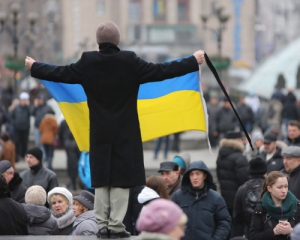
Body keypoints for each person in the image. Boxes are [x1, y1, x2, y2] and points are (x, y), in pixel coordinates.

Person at [25, 20, 204, 239]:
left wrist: (35, 67)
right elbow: (162, 71)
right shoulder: (130, 61)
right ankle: (117, 226)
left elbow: (60, 73)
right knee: (121, 180)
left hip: (99, 133)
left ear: (98, 42)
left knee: (102, 180)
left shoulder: (87, 62)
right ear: (117, 41)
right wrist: (192, 61)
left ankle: (101, 224)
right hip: (125, 133)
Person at [172, 160, 231, 240]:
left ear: (205, 175)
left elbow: (224, 222)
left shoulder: (216, 198)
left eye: (198, 174)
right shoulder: (177, 196)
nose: (194, 177)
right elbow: (170, 220)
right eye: (191, 174)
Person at [249, 171, 300, 239]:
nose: (284, 190)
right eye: (279, 187)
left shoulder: (296, 206)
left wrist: (292, 231)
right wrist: (274, 231)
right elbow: (253, 237)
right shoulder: (261, 208)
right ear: (269, 188)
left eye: (286, 186)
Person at [231, 157, 267, 239]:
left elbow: (237, 218)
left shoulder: (242, 188)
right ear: (265, 171)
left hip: (249, 233)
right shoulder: (271, 186)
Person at [216, 131, 249, 217]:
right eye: (241, 139)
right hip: (239, 199)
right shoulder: (239, 157)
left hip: (226, 198)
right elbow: (245, 179)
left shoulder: (221, 156)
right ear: (237, 140)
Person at [59, 119, 80, 191]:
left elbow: (60, 134)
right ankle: (74, 183)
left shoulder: (64, 122)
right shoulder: (77, 121)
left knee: (71, 166)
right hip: (76, 148)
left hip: (68, 146)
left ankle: (72, 182)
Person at [10, 91, 31, 161]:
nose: (23, 102)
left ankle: (23, 155)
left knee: (24, 143)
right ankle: (17, 156)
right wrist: (14, 123)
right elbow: (10, 116)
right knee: (17, 143)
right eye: (22, 100)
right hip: (17, 129)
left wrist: (29, 105)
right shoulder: (16, 108)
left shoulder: (28, 108)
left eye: (25, 100)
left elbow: (32, 112)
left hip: (25, 129)